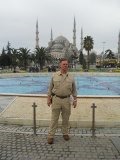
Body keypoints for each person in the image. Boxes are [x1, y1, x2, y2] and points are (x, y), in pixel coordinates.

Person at [47, 58, 77, 144]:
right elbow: (50, 88)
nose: (65, 66)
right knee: (54, 119)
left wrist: (75, 100)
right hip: (56, 99)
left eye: (67, 64)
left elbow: (74, 90)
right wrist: (48, 99)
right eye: (64, 64)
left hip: (67, 100)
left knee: (66, 119)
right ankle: (51, 135)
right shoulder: (54, 75)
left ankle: (65, 133)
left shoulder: (71, 77)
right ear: (60, 65)